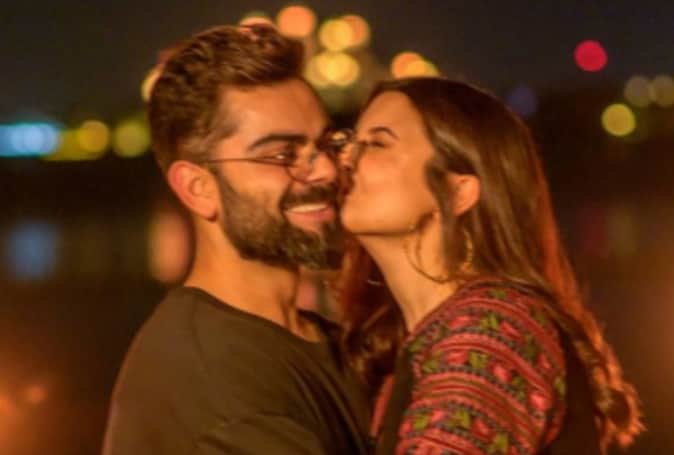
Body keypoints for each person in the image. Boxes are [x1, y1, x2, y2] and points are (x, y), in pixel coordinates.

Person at [334, 77, 643, 454]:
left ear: (457, 192)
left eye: (377, 144)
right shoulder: (410, 344)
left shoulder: (491, 332)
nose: (345, 159)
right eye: (350, 141)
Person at [102, 24, 370, 454]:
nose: (325, 170)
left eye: (325, 144)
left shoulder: (317, 339)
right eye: (282, 155)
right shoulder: (210, 379)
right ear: (198, 189)